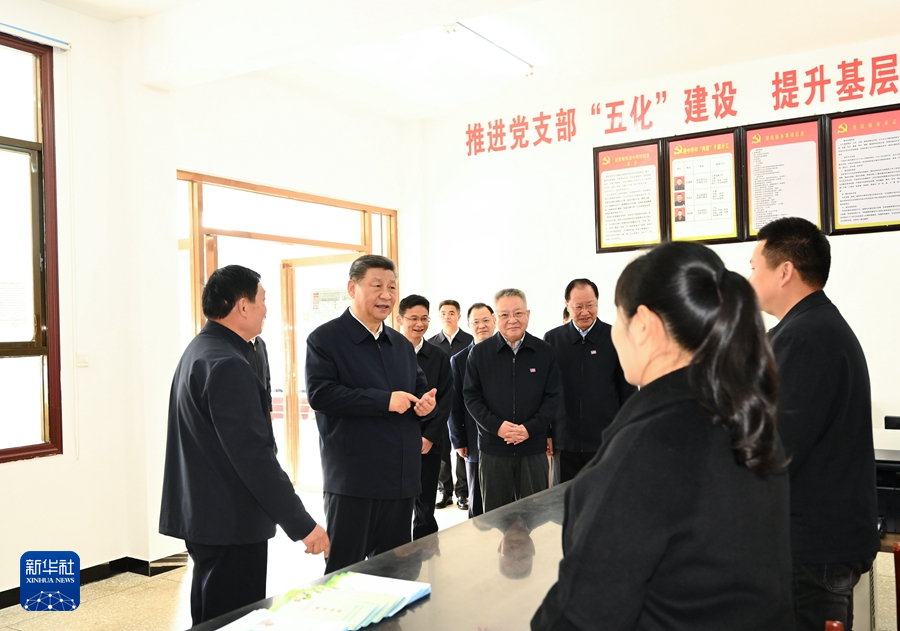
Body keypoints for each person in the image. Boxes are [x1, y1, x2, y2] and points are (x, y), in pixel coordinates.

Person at [532, 242, 793, 631]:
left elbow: (584, 611)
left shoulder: (649, 444)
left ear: (643, 325)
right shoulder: (741, 410)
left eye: (618, 318)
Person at [159, 265, 329, 626]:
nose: (266, 308)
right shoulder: (227, 364)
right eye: (263, 299)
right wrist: (302, 525)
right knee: (234, 618)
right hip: (230, 519)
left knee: (210, 613)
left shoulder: (201, 350)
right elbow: (253, 458)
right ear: (243, 306)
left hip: (205, 514)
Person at [749, 217, 878, 631]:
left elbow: (774, 447)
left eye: (754, 267)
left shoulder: (805, 337)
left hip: (808, 552)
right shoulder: (811, 327)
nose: (749, 279)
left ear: (784, 271)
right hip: (814, 547)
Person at [305, 255, 437, 574]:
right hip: (354, 480)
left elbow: (418, 389)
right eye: (376, 286)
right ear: (352, 288)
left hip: (400, 479)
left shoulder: (400, 344)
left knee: (397, 570)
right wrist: (384, 400)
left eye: (392, 287)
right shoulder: (325, 339)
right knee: (345, 572)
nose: (386, 295)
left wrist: (425, 405)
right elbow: (321, 394)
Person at [464, 288, 560, 513]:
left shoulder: (544, 351)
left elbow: (553, 397)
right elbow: (471, 397)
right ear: (495, 318)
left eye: (518, 313)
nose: (512, 320)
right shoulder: (480, 353)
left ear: (528, 314)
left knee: (534, 516)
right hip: (494, 448)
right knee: (496, 517)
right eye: (504, 315)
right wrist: (497, 427)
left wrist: (529, 429)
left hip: (533, 447)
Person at [543, 279, 635, 484]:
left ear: (598, 303)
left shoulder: (615, 336)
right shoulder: (552, 339)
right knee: (562, 499)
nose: (585, 312)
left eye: (590, 305)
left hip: (605, 439)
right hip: (564, 440)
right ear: (567, 305)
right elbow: (544, 392)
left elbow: (628, 390)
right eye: (578, 307)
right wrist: (546, 432)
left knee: (603, 495)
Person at [396, 294, 453, 540]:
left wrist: (429, 436)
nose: (419, 324)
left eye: (424, 319)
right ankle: (397, 551)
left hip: (429, 442)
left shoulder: (438, 356)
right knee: (397, 504)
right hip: (396, 441)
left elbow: (446, 400)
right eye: (413, 318)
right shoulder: (388, 352)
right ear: (400, 319)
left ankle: (425, 549)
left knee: (425, 503)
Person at [448, 302, 496, 518]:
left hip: (505, 440)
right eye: (476, 322)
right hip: (473, 440)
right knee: (477, 500)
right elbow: (454, 404)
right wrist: (458, 440)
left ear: (494, 320)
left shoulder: (508, 354)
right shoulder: (459, 360)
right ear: (468, 325)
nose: (481, 325)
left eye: (486, 320)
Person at [428, 299, 474, 510]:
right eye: (443, 313)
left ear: (459, 316)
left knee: (462, 448)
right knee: (442, 448)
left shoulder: (470, 341)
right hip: (439, 405)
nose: (447, 316)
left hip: (462, 404)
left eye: (451, 313)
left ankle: (463, 492)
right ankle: (444, 491)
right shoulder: (431, 344)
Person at [247, 335, 273, 417]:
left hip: (262, 405)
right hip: (247, 406)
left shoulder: (261, 343)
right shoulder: (238, 345)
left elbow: (267, 377)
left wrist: (269, 408)